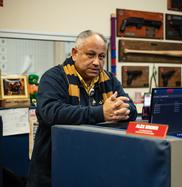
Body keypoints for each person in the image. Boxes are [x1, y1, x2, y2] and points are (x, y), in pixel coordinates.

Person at [27, 30, 137, 187]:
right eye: (90, 55)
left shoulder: (109, 80)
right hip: (52, 170)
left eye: (101, 56)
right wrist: (101, 113)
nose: (96, 62)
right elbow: (52, 112)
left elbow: (131, 108)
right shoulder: (54, 77)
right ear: (74, 53)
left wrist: (124, 110)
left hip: (93, 167)